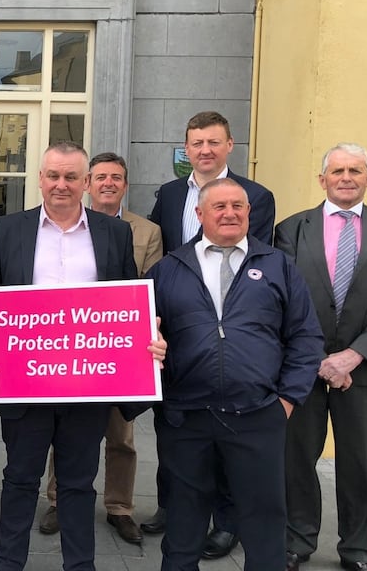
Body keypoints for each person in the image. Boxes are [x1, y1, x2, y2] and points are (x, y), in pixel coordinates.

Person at [0, 142, 164, 570]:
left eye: (71, 177)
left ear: (86, 184)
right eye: (53, 176)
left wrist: (147, 336)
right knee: (20, 480)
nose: (61, 185)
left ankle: (80, 566)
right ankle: (8, 564)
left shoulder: (114, 232)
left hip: (87, 385)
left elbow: (130, 301)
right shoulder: (10, 229)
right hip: (26, 381)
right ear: (40, 178)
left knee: (78, 484)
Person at [148, 177, 324, 571]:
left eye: (237, 206)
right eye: (219, 206)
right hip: (187, 418)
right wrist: (156, 353)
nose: (229, 213)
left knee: (264, 525)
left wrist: (287, 400)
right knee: (183, 524)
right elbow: (146, 336)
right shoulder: (168, 270)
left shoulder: (278, 266)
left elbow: (306, 337)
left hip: (258, 415)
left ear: (249, 213)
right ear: (199, 214)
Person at [145, 111, 276, 557]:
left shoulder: (254, 195)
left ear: (229, 146)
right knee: (178, 434)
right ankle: (174, 508)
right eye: (196, 143)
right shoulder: (167, 194)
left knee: (227, 443)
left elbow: (250, 259)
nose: (204, 150)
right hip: (181, 324)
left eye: (213, 142)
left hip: (230, 327)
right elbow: (163, 256)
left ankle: (226, 521)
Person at [276, 144, 367, 571]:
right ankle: (296, 540)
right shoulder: (292, 229)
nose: (346, 177)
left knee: (362, 463)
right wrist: (317, 358)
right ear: (323, 180)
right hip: (304, 367)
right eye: (338, 170)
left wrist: (352, 357)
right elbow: (283, 300)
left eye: (356, 170)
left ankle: (358, 549)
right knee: (295, 459)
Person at [38, 152, 162, 545]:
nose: (109, 184)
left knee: (121, 435)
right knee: (66, 429)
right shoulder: (58, 227)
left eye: (117, 178)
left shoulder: (144, 231)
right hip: (63, 349)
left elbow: (147, 288)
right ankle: (59, 501)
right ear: (90, 183)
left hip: (116, 350)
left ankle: (119, 507)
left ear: (125, 185)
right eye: (102, 177)